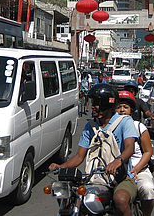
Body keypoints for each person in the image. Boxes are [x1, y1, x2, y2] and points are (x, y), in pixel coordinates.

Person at [49, 84, 138, 216]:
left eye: (96, 103)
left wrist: (118, 161)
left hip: (121, 178)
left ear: (107, 103)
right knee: (65, 193)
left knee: (120, 199)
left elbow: (130, 147)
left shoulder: (125, 122)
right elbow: (79, 156)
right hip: (94, 177)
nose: (92, 106)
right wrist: (60, 167)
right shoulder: (90, 126)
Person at [116, 91, 154, 216]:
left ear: (131, 110)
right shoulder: (110, 126)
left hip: (139, 170)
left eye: (125, 107)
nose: (122, 110)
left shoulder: (139, 127)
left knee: (148, 191)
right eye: (119, 107)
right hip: (116, 170)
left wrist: (136, 169)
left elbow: (148, 152)